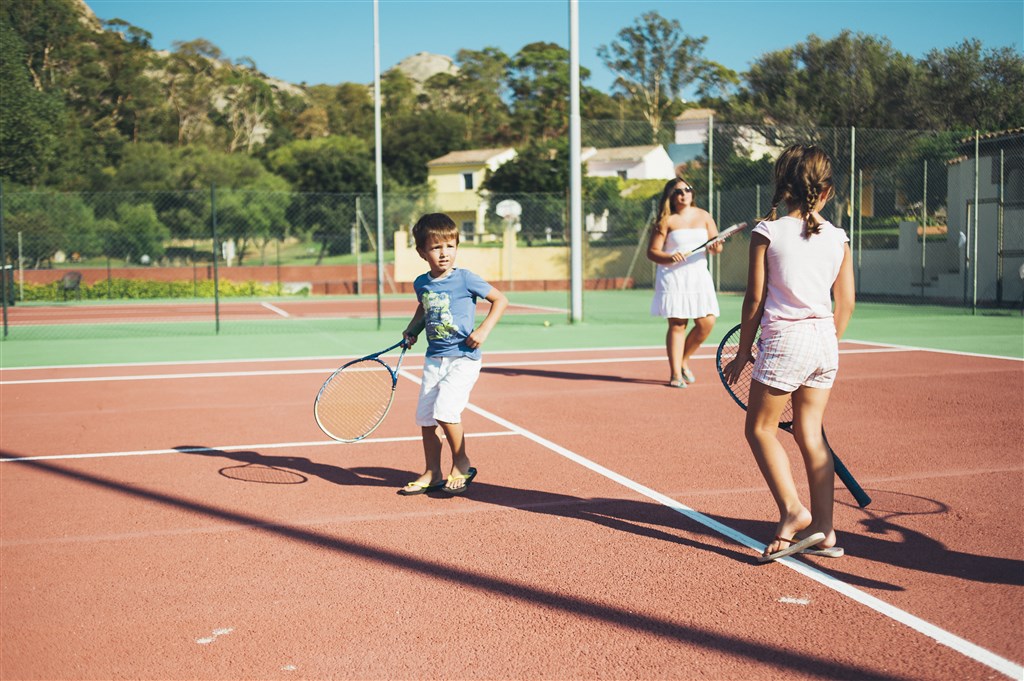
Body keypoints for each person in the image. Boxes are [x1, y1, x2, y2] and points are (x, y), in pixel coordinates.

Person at [723, 144, 855, 562]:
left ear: (783, 188)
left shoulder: (768, 231)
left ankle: (794, 511)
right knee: (809, 434)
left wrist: (743, 352)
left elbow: (754, 299)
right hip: (825, 342)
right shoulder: (838, 237)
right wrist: (824, 340)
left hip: (787, 339)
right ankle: (825, 528)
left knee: (759, 430)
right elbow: (846, 304)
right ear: (827, 191)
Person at [399, 213, 508, 496]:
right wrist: (412, 330)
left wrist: (483, 330)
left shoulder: (465, 279)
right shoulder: (421, 283)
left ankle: (462, 462)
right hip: (433, 359)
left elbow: (500, 300)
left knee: (446, 411)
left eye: (450, 245)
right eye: (436, 247)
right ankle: (432, 471)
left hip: (463, 358)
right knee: (425, 419)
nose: (444, 253)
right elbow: (425, 307)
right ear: (422, 252)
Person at [647, 178, 723, 388]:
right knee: (678, 325)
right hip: (674, 278)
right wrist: (670, 258)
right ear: (671, 195)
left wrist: (716, 246)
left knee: (706, 323)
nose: (684, 194)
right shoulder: (666, 220)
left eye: (688, 189)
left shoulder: (704, 216)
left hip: (698, 276)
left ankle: (683, 360)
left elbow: (715, 249)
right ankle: (675, 375)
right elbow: (652, 252)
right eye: (678, 191)